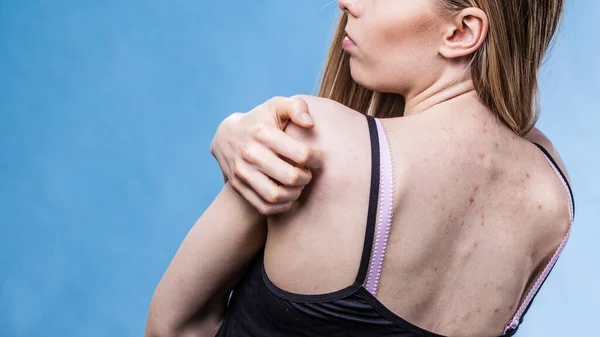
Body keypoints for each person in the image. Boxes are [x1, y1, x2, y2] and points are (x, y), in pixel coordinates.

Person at [145, 0, 574, 336]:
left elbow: (175, 327)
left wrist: (232, 128)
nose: (346, 2)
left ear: (462, 32)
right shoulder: (552, 194)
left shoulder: (318, 141)